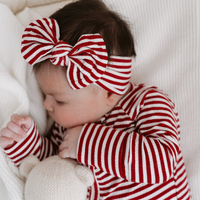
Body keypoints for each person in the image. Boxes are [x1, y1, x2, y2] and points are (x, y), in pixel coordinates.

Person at [0, 0, 191, 199]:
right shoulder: (64, 127)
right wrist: (26, 144)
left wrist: (86, 141)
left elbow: (161, 164)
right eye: (45, 94)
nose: (47, 105)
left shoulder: (146, 102)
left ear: (108, 93)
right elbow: (54, 168)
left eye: (60, 100)